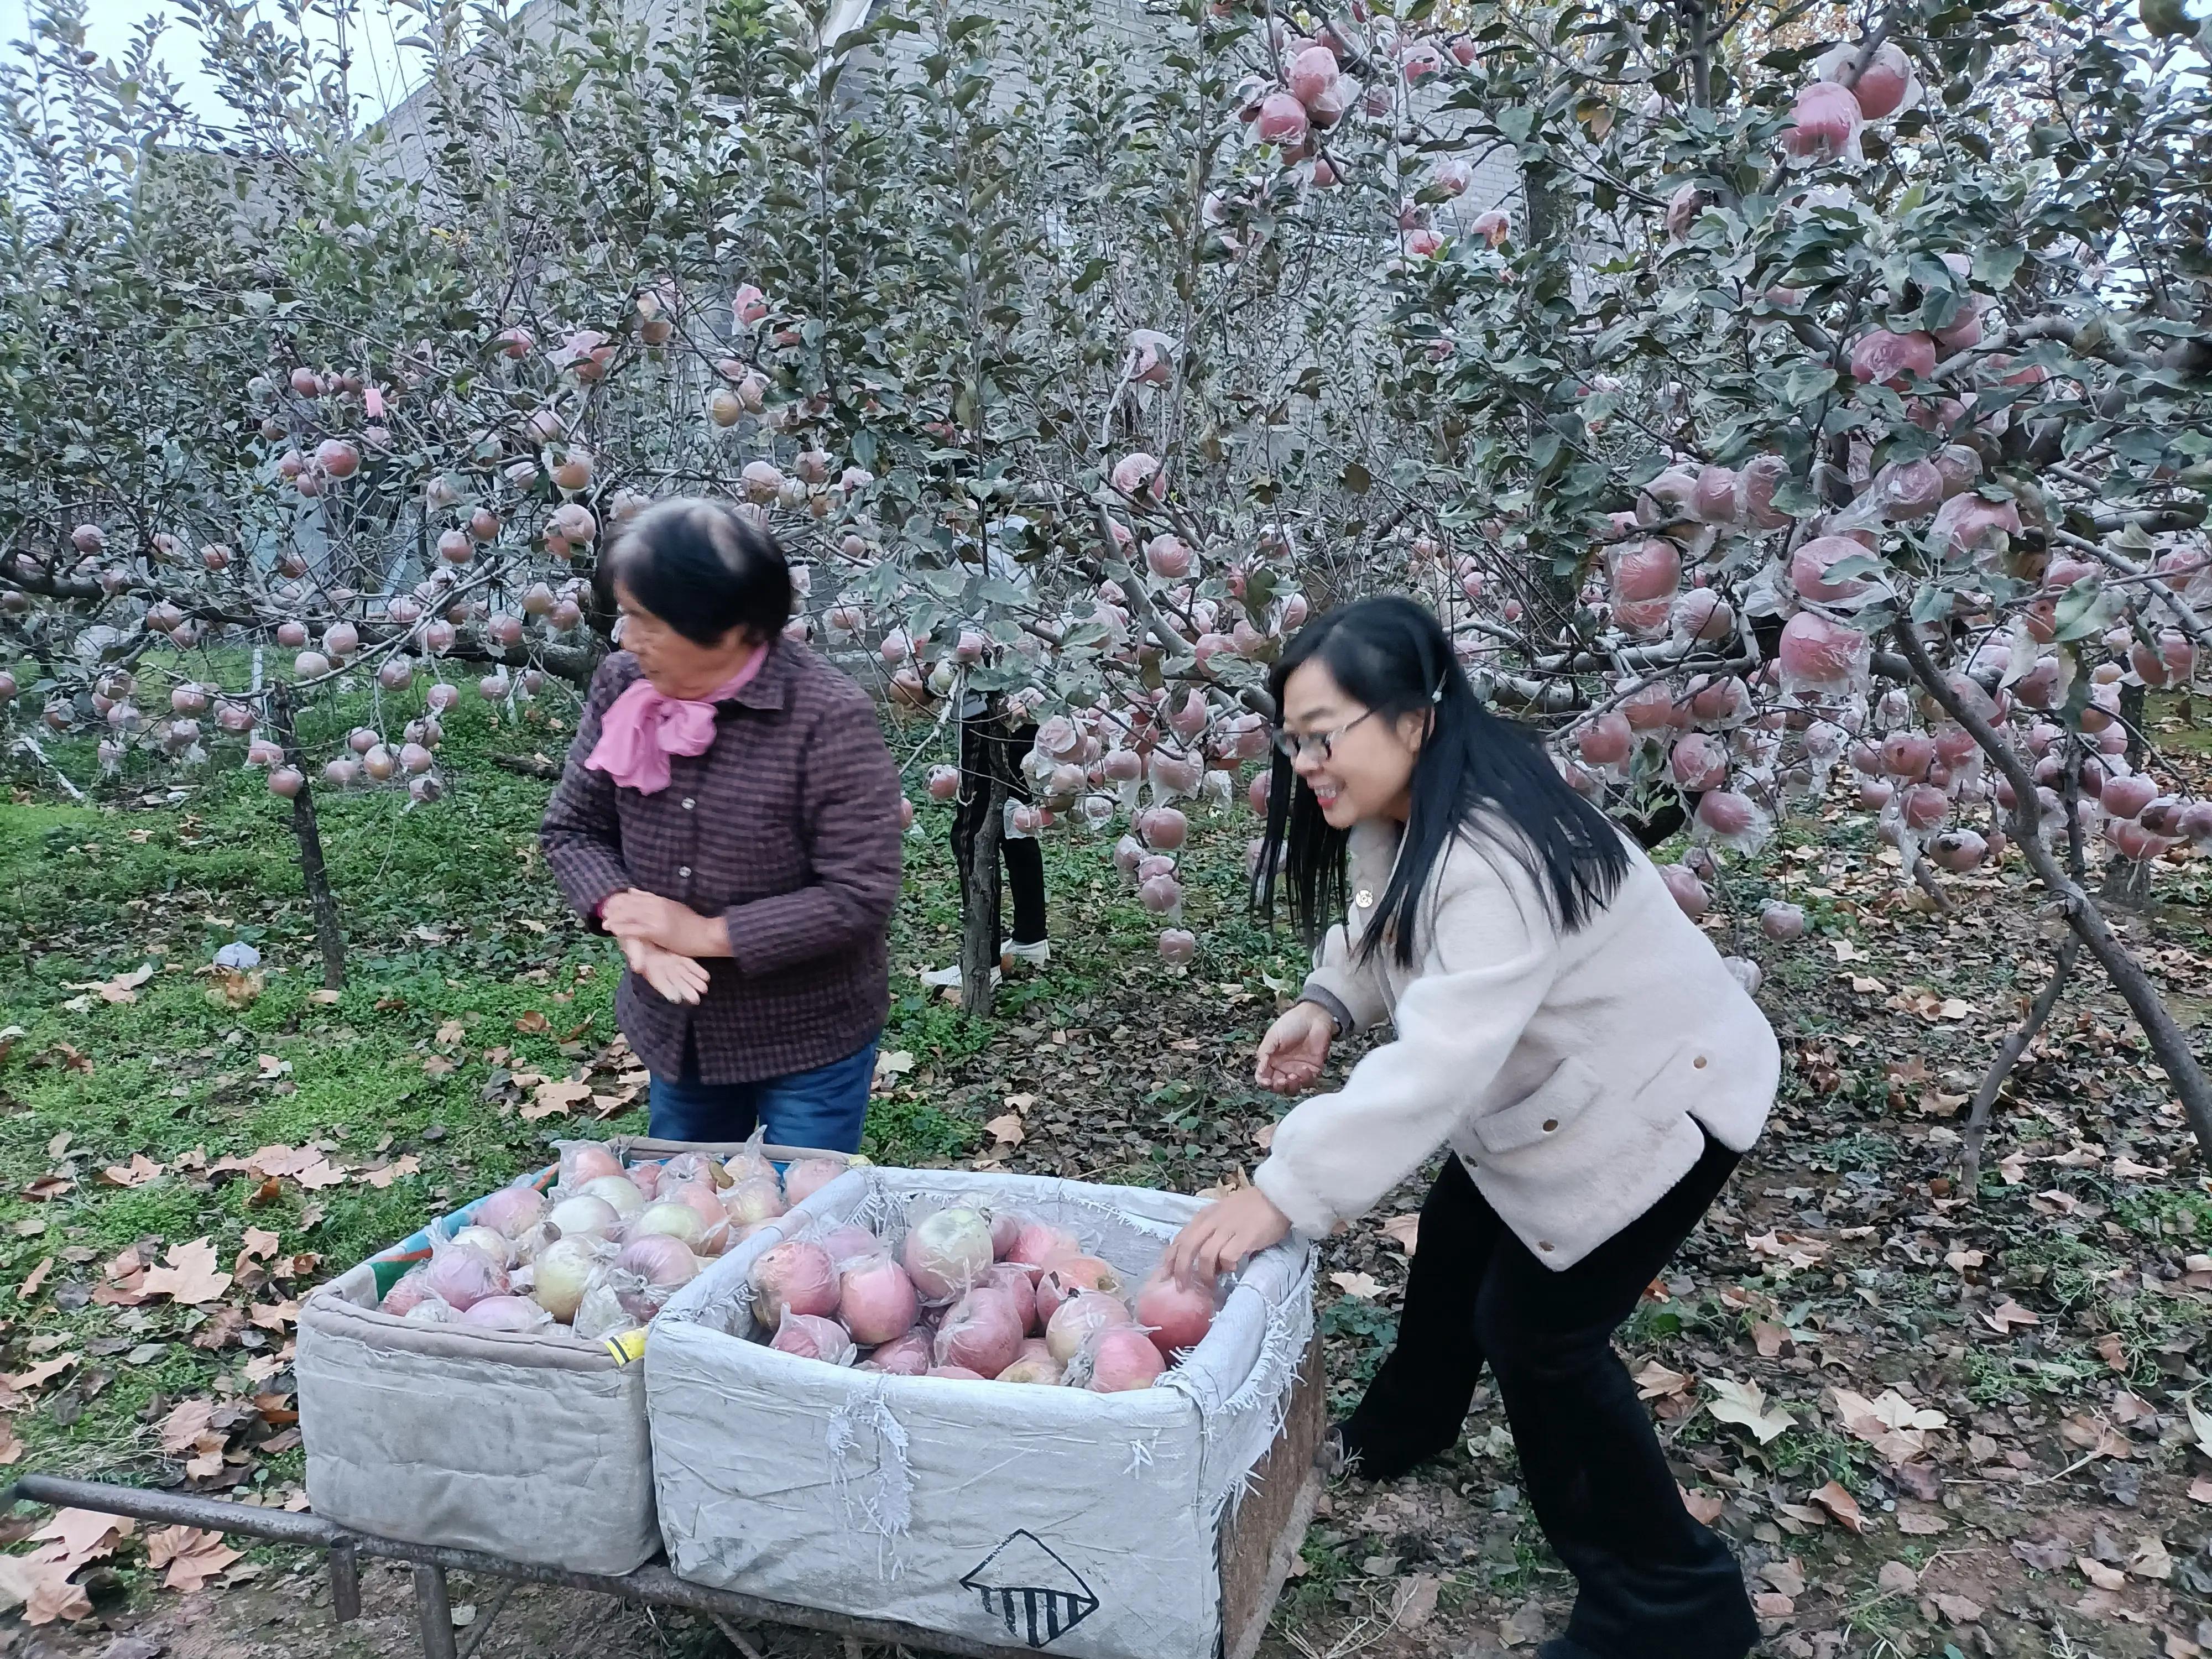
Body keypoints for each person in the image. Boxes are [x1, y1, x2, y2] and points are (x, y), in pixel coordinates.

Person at [1163, 596, 1778, 1659]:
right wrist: (1329, 1001)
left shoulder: (1488, 856)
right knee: (1455, 1247)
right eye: (1294, 739)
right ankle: (1407, 1426)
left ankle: (1674, 1607)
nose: (1307, 761)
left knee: (1541, 1341)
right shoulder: (1413, 810)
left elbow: (1438, 1066)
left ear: (1414, 718)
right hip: (1564, 1094)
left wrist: (1285, 1189)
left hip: (1664, 1106)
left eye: (1326, 733)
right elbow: (1384, 923)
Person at [540, 497, 902, 1155]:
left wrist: (703, 933)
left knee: (797, 1221)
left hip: (806, 1038)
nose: (627, 639)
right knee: (687, 1211)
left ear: (729, 625)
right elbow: (573, 830)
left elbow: (858, 892)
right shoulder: (623, 687)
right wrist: (630, 920)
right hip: (678, 1027)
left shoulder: (826, 718)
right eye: (625, 616)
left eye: (646, 621)